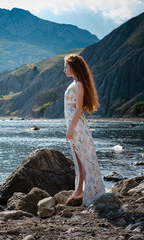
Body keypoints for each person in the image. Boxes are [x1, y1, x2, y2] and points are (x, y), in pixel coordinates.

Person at [63, 54, 105, 206]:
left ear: (74, 67)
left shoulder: (79, 84)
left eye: (66, 67)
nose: (64, 70)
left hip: (78, 128)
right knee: (78, 160)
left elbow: (79, 108)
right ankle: (79, 190)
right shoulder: (74, 83)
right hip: (74, 127)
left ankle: (89, 192)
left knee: (85, 159)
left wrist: (70, 129)